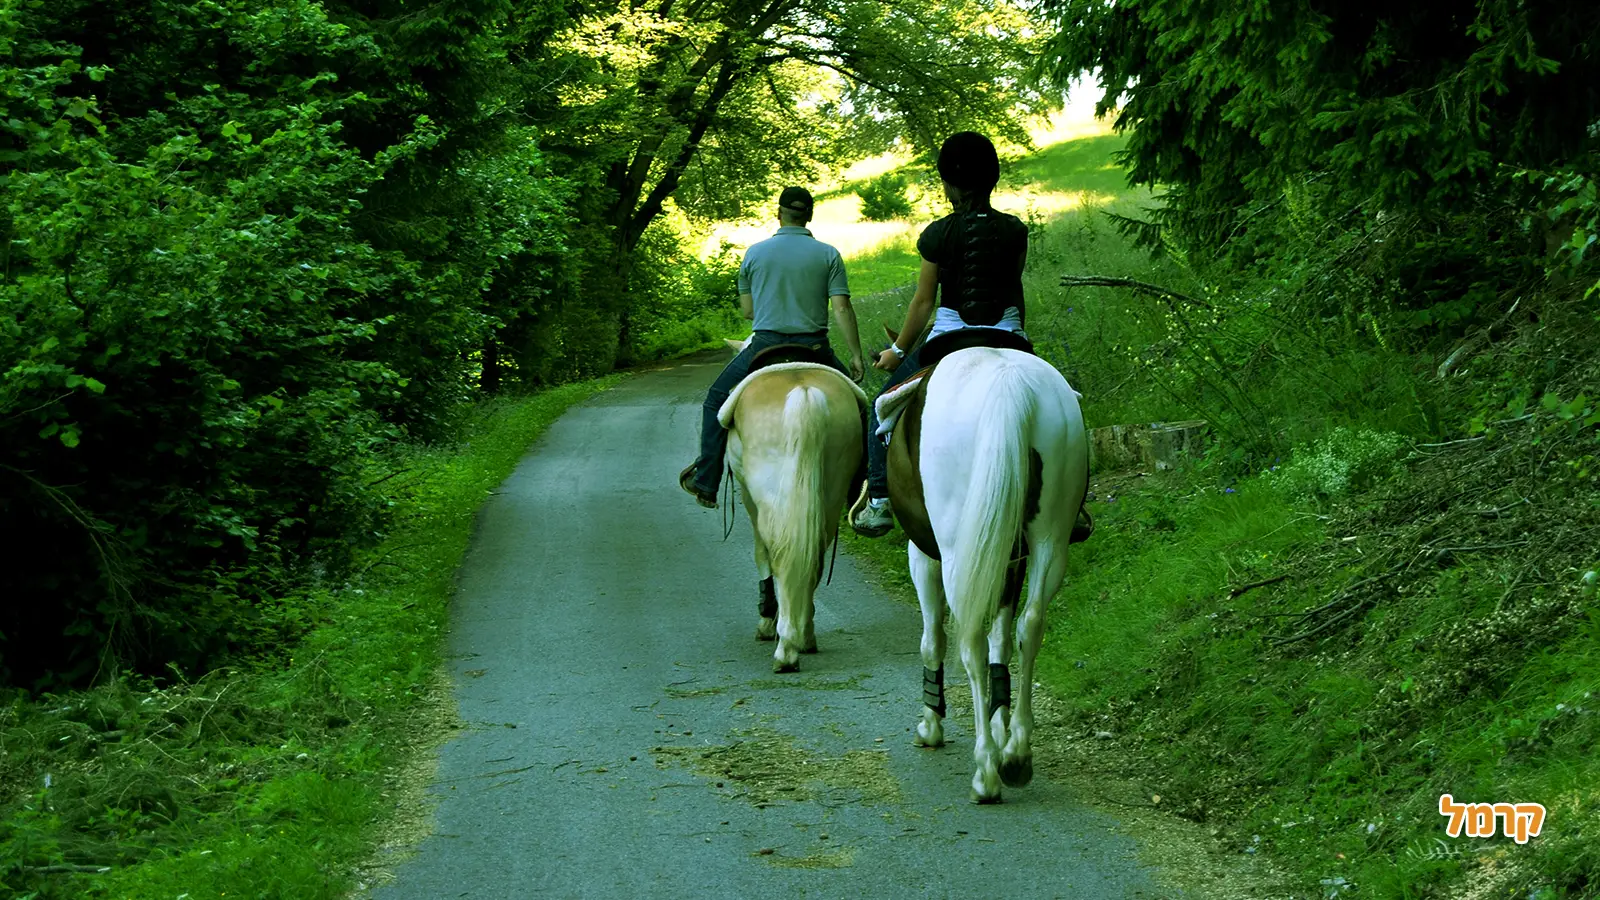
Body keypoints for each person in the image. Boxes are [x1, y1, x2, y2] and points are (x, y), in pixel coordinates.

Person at [851, 132, 1032, 537]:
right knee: (1060, 400)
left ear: (948, 184)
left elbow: (922, 303)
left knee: (882, 406)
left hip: (950, 337)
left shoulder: (936, 235)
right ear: (992, 179)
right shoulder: (1015, 231)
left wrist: (897, 351)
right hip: (1007, 334)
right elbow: (1014, 289)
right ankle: (1071, 505)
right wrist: (1021, 339)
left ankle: (879, 499)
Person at [680, 186, 867, 508]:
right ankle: (863, 489)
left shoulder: (754, 254)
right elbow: (841, 308)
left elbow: (748, 311)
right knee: (860, 406)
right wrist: (856, 355)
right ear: (809, 216)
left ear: (778, 213)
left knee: (715, 400)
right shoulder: (828, 254)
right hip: (815, 347)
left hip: (765, 345)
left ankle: (707, 480)